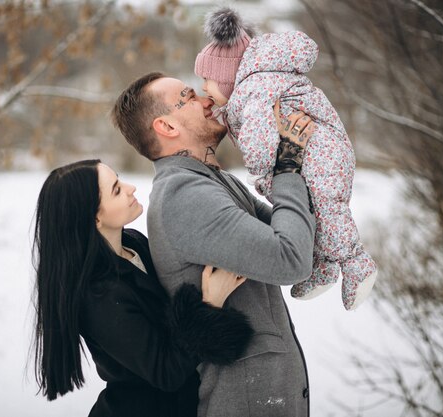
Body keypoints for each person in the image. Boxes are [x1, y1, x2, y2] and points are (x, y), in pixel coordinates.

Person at [111, 72, 315, 417]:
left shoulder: (212, 181)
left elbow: (299, 235)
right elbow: (291, 259)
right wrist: (288, 167)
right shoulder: (184, 196)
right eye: (189, 96)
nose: (208, 100)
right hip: (247, 403)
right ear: (167, 127)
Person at [31, 159, 254, 417]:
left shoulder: (133, 243)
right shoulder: (99, 297)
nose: (131, 188)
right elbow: (166, 372)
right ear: (94, 219)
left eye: (119, 178)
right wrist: (209, 305)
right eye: (116, 189)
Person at [194, 7, 377, 310]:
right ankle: (324, 268)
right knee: (312, 212)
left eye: (208, 79)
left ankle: (356, 263)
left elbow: (258, 136)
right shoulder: (247, 93)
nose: (203, 87)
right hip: (311, 152)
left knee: (328, 209)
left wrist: (260, 169)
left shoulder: (254, 90)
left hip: (321, 151)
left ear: (228, 77)